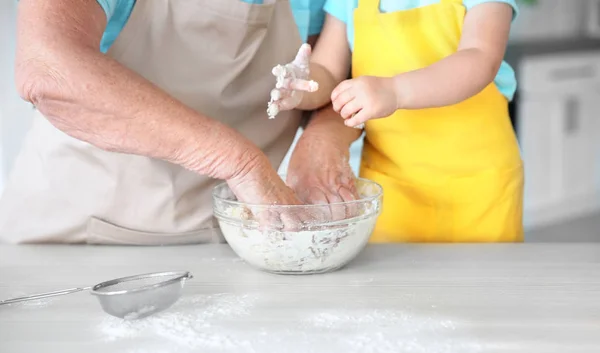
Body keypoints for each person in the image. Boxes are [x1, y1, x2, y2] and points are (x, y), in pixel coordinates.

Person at [0, 0, 360, 244]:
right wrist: (238, 163)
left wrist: (324, 137)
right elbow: (47, 68)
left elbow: (332, 75)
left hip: (241, 241)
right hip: (76, 237)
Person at [274, 0, 524, 243]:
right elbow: (327, 70)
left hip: (478, 183)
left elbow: (481, 57)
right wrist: (300, 87)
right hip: (392, 183)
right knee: (394, 280)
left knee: (483, 281)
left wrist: (395, 90)